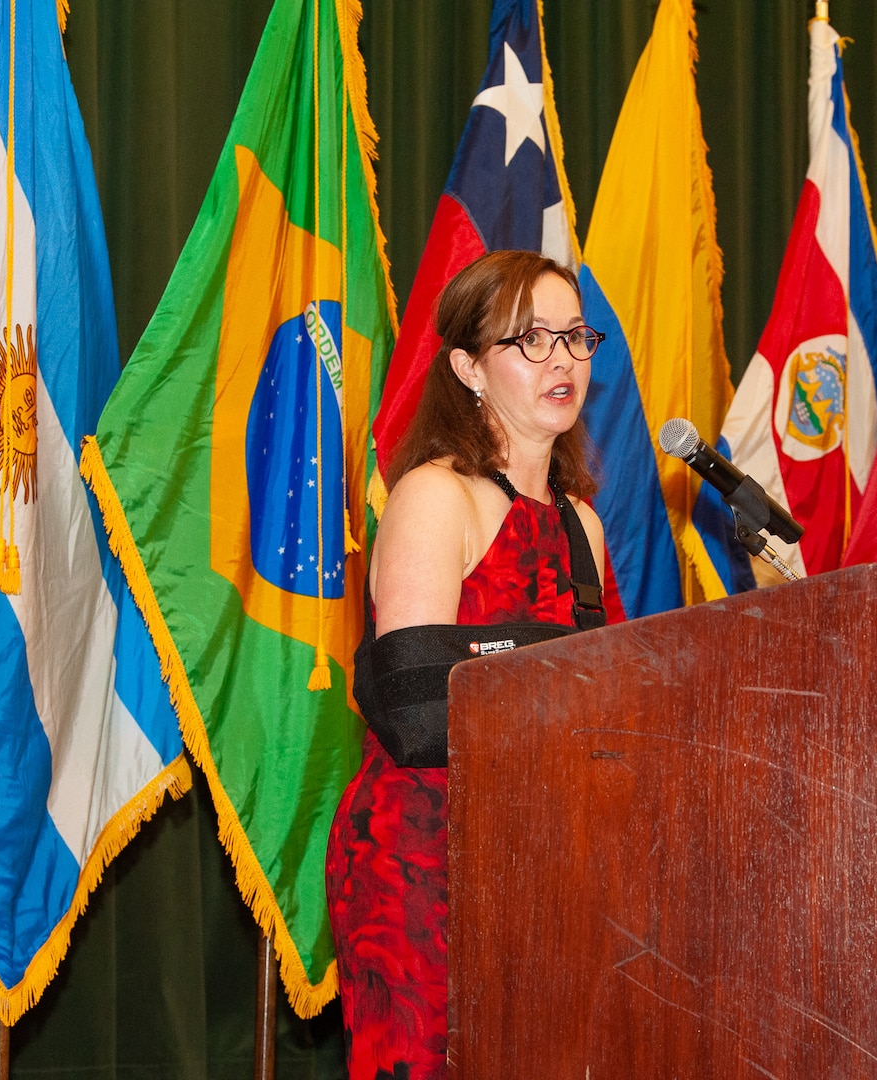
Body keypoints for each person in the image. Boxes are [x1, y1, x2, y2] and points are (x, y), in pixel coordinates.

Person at [325, 249, 609, 1079]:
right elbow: (416, 708)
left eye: (574, 337)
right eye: (531, 340)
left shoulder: (581, 526)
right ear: (467, 367)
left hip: (546, 857)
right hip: (420, 860)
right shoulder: (433, 497)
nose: (562, 359)